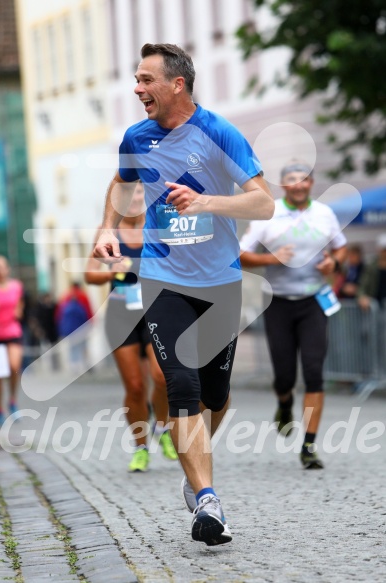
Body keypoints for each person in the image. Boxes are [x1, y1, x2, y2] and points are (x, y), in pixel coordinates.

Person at [93, 43, 274, 546]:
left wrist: (206, 201)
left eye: (146, 79)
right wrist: (107, 227)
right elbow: (121, 182)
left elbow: (264, 204)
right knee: (181, 385)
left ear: (177, 84)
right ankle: (208, 500)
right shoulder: (137, 136)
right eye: (135, 78)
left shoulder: (218, 132)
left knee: (215, 394)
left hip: (220, 282)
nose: (137, 88)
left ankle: (194, 468)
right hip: (162, 277)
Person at [240, 161, 347, 469]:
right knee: (284, 376)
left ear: (311, 183)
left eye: (304, 180)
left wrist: (334, 265)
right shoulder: (268, 213)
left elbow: (340, 248)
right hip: (278, 304)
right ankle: (284, 403)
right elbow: (239, 253)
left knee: (314, 372)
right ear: (283, 184)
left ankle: (309, 446)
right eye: (291, 180)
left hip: (313, 301)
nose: (298, 185)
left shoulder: (324, 214)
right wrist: (269, 258)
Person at [85, 182, 178, 471]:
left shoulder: (159, 227)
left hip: (155, 310)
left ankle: (162, 428)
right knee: (135, 386)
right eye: (129, 195)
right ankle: (140, 447)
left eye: (140, 194)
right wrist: (113, 271)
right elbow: (90, 274)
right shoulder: (107, 232)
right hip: (121, 315)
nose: (135, 200)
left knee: (161, 378)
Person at [0, 255, 24, 425]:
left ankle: (13, 400)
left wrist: (18, 311)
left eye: (2, 266)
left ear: (7, 269)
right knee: (0, 374)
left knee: (14, 366)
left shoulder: (16, 286)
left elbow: (20, 303)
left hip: (13, 331)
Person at [56, 282, 94, 373]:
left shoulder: (65, 296)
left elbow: (59, 314)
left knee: (72, 347)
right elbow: (88, 311)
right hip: (82, 327)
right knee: (84, 346)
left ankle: (74, 366)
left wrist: (60, 328)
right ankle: (86, 364)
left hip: (70, 329)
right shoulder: (83, 296)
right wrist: (91, 322)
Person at [357, 234, 386, 310]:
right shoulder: (371, 266)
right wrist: (362, 297)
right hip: (374, 306)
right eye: (383, 250)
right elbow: (363, 285)